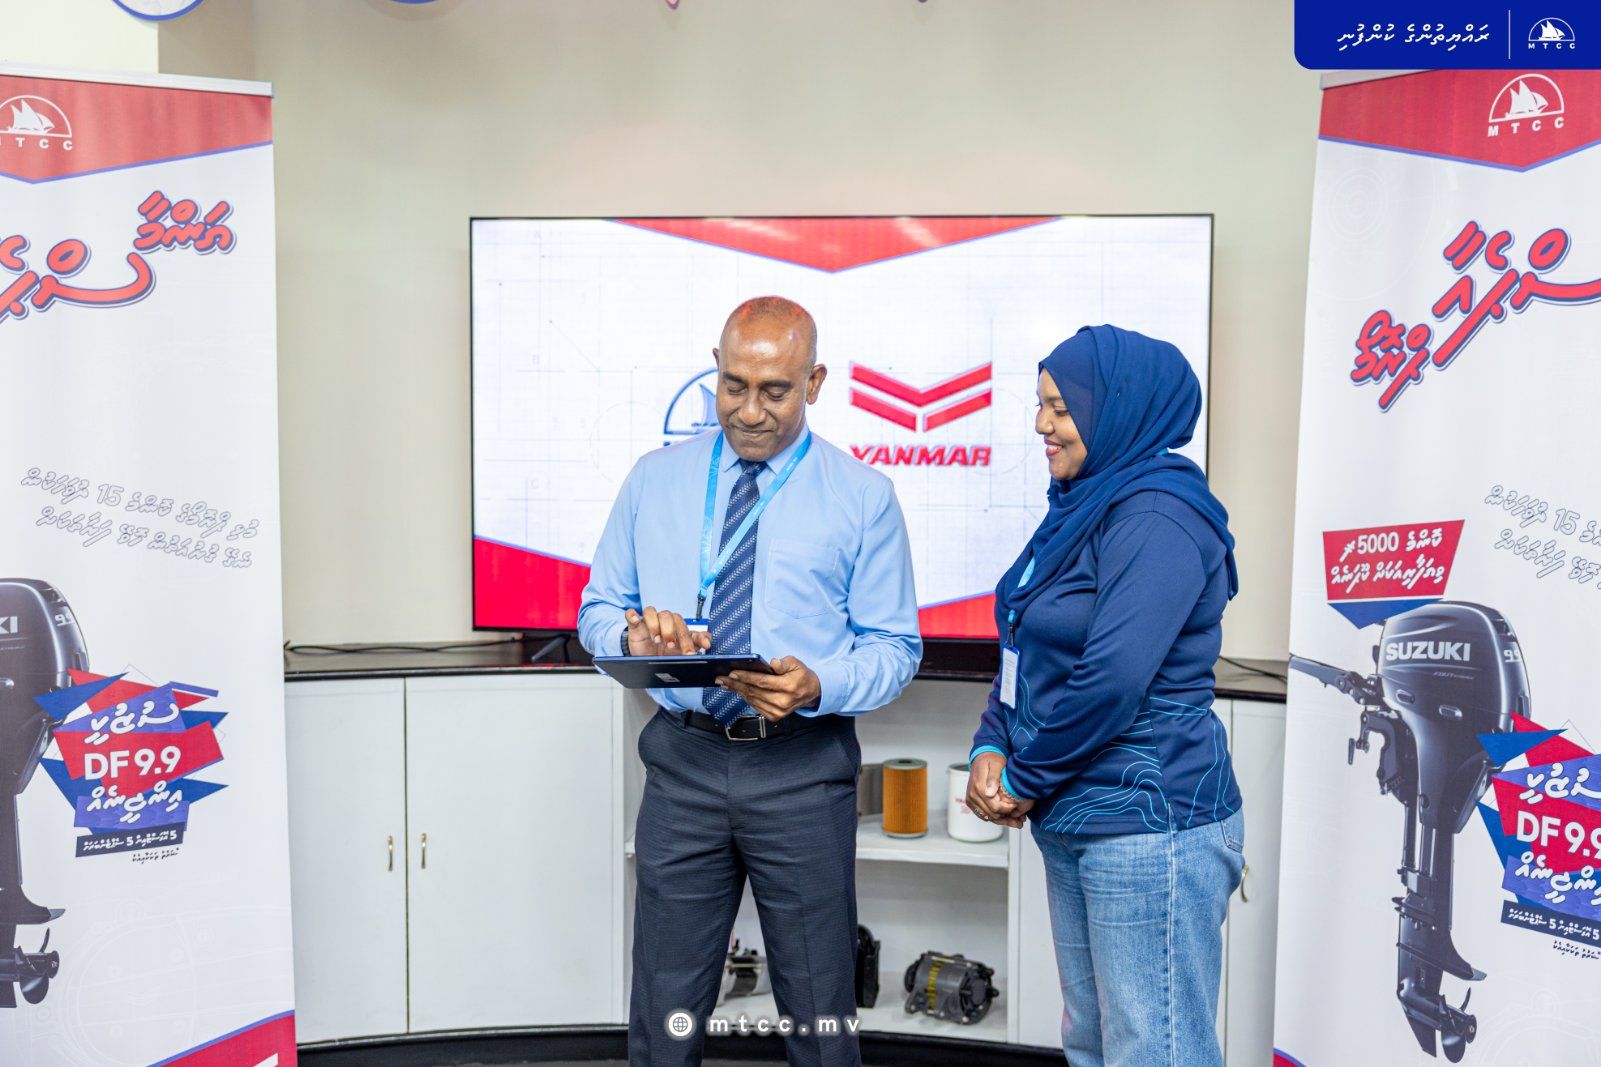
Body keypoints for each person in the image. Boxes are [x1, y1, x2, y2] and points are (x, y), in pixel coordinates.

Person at [578, 296, 921, 1067]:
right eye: (734, 385)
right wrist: (630, 637)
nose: (750, 410)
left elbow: (894, 648)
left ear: (815, 382)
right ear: (715, 368)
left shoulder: (862, 496)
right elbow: (596, 610)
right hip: (683, 762)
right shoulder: (654, 480)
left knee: (819, 1010)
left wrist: (817, 683)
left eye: (775, 390)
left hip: (801, 766)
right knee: (663, 1007)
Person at [965, 324, 1245, 1067]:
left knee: (1153, 1052)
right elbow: (1026, 638)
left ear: (1117, 408)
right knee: (1091, 1043)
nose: (1041, 425)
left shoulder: (1157, 514)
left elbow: (1112, 679)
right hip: (1075, 812)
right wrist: (991, 741)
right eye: (1040, 404)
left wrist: (1022, 778)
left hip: (1147, 823)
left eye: (1061, 408)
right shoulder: (1082, 504)